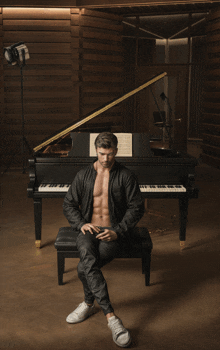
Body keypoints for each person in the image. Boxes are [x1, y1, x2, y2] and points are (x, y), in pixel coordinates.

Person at [63, 132, 145, 348]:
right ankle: (111, 318)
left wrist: (118, 231)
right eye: (101, 153)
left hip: (113, 232)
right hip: (88, 230)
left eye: (110, 154)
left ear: (116, 151)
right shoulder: (83, 175)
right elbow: (69, 203)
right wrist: (81, 224)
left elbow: (137, 207)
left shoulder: (126, 176)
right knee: (89, 260)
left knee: (84, 269)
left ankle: (88, 303)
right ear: (95, 151)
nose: (106, 158)